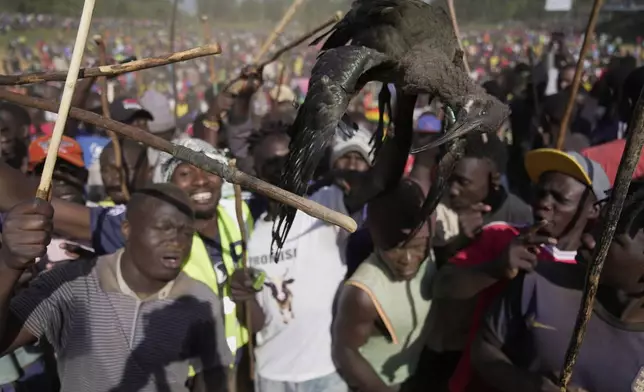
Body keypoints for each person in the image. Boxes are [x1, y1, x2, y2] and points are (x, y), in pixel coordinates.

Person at [0, 184, 232, 391]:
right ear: (127, 230)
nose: (177, 242)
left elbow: (213, 376)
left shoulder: (198, 297)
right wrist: (9, 264)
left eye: (187, 232)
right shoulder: (71, 285)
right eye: (163, 228)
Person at [433, 148, 610, 392]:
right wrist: (495, 269)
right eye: (541, 192)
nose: (545, 204)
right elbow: (442, 286)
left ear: (594, 210)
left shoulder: (598, 269)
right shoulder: (501, 235)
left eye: (560, 198)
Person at [471, 180, 644, 392]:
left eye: (612, 238)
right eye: (598, 226)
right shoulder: (539, 281)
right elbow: (483, 348)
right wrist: (526, 384)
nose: (589, 238)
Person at [230, 122, 352, 392]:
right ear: (257, 171)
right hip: (272, 376)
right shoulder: (252, 234)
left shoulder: (327, 205)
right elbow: (258, 323)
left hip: (327, 373)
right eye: (270, 163)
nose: (280, 168)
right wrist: (241, 294)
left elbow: (381, 180)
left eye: (288, 159)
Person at [333, 179, 435, 392]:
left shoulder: (431, 256)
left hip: (415, 374)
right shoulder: (363, 294)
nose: (407, 259)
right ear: (376, 240)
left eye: (417, 247)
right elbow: (345, 351)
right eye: (394, 248)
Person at [435, 133, 532, 266]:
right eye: (449, 179)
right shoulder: (438, 209)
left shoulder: (519, 217)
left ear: (494, 180)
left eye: (463, 182)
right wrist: (458, 242)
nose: (453, 190)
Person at [98, 138, 150, 207]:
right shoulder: (102, 214)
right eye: (106, 170)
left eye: (125, 169)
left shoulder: (160, 210)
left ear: (148, 172)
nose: (117, 176)